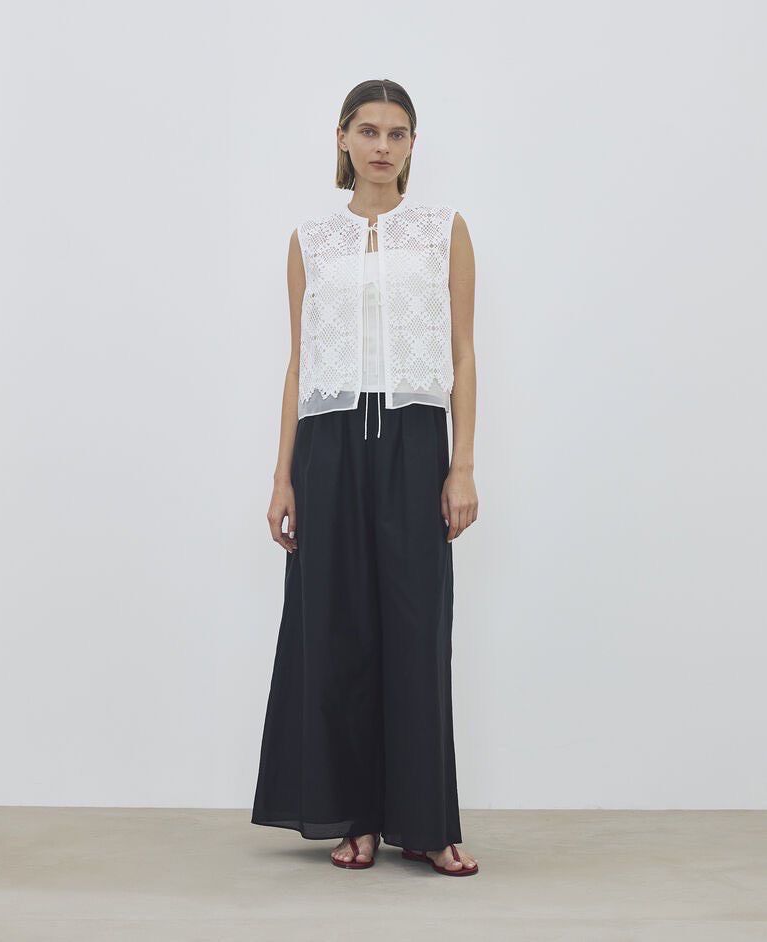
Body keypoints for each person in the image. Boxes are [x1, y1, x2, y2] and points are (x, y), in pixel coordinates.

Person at [251, 79, 479, 876]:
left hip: (415, 440)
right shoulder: (311, 239)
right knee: (336, 630)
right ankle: (350, 816)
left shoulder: (442, 230)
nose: (383, 146)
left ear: (412, 145)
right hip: (328, 442)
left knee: (417, 631)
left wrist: (460, 464)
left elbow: (462, 355)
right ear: (343, 138)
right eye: (369, 130)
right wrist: (281, 477)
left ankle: (424, 823)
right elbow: (298, 362)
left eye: (397, 133)